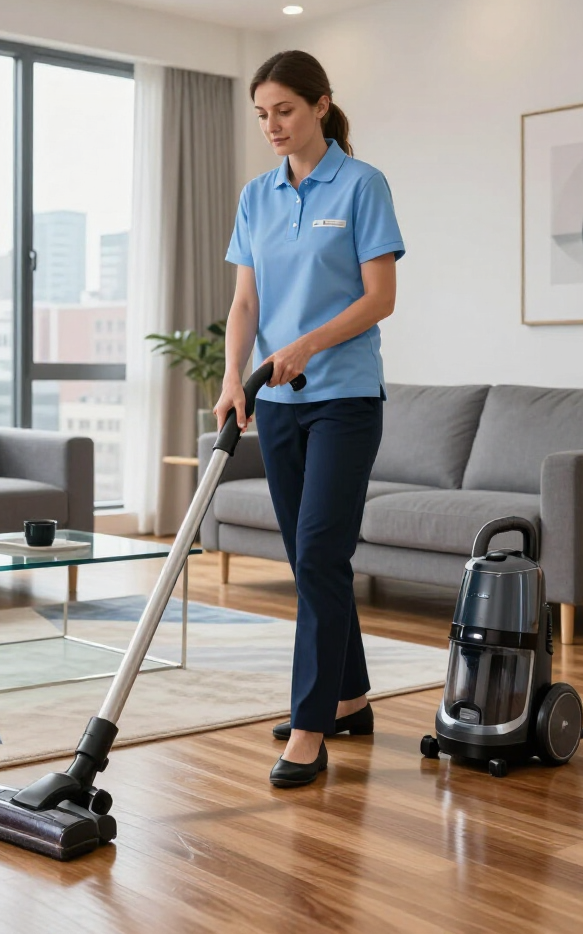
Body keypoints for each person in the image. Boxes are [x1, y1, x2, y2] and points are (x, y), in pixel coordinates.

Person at [214, 50, 405, 788]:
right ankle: (350, 699)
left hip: (344, 401)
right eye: (262, 114)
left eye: (284, 111)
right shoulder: (257, 196)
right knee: (307, 560)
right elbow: (245, 303)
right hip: (278, 404)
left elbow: (379, 298)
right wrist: (236, 377)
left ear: (321, 105)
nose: (272, 125)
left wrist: (305, 345)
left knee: (320, 555)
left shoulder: (362, 185)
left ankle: (309, 728)